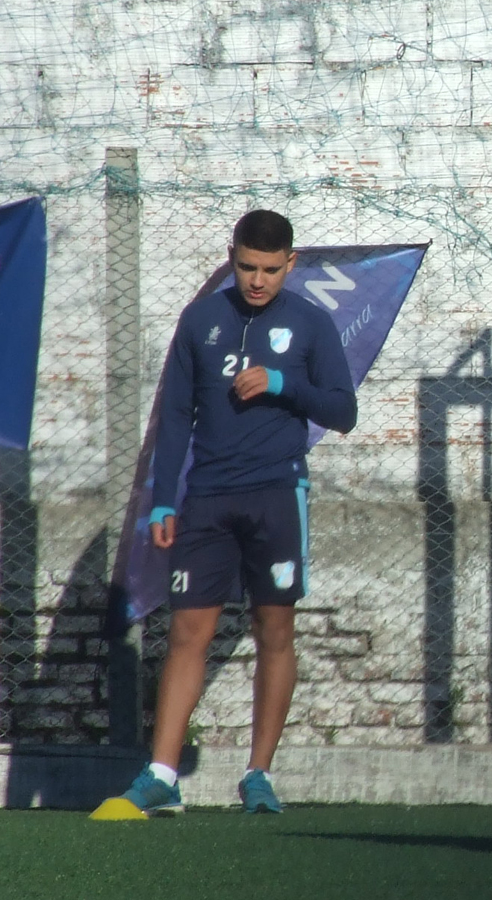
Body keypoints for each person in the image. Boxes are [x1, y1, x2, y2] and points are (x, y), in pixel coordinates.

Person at [92, 210, 357, 819]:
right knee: (188, 633)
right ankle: (162, 776)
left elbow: (343, 412)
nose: (257, 281)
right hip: (207, 498)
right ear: (231, 255)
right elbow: (174, 415)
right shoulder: (200, 320)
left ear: (291, 264)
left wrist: (282, 383)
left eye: (270, 269)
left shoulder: (311, 324)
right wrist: (164, 499)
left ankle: (258, 775)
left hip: (277, 495)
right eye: (246, 267)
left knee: (275, 630)